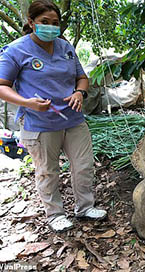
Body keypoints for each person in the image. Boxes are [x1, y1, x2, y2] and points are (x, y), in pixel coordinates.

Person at [0, 0, 107, 232]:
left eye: (55, 23)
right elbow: (2, 85)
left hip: (73, 118)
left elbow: (82, 77)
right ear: (31, 22)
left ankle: (85, 207)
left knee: (83, 165)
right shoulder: (16, 50)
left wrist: (80, 92)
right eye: (44, 22)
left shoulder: (65, 47)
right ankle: (55, 214)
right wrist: (26, 102)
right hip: (40, 123)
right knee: (47, 171)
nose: (50, 27)